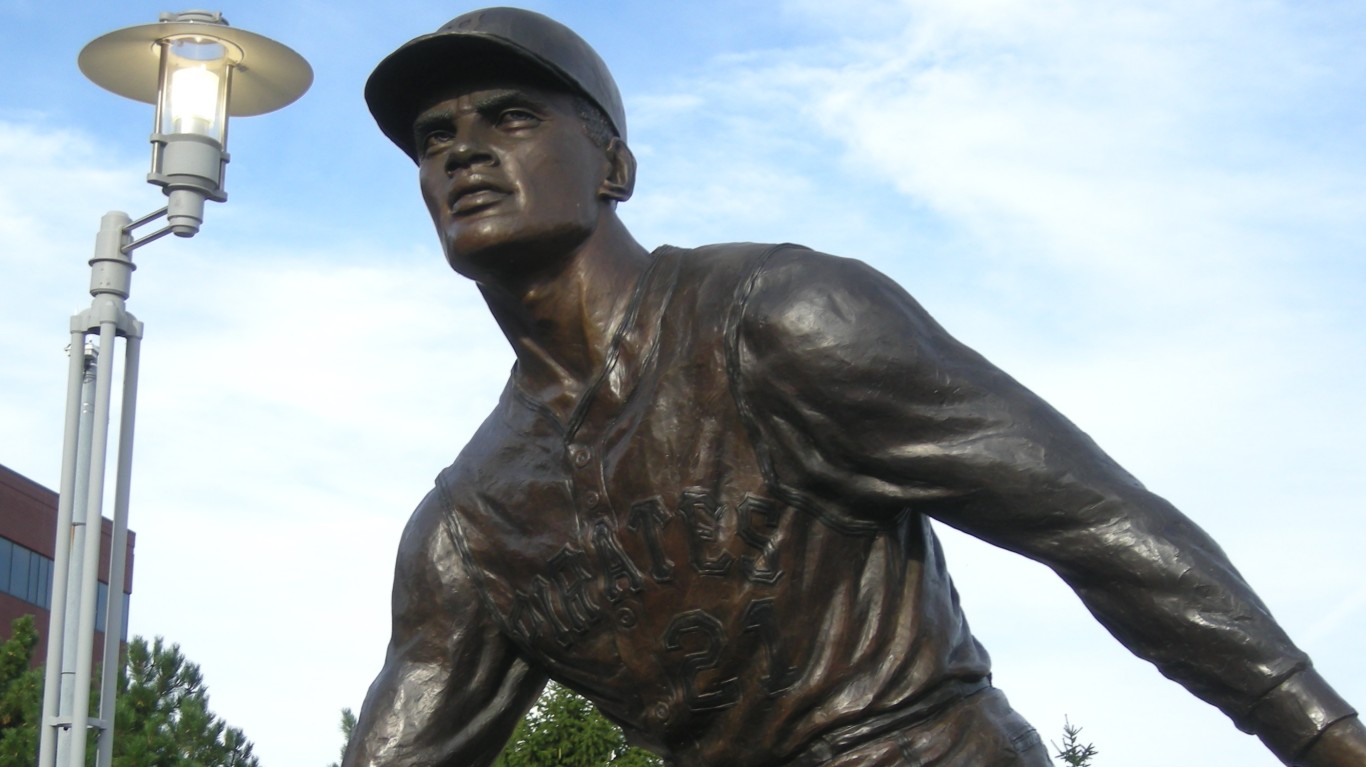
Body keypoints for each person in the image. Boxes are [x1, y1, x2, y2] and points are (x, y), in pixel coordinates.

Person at [345, 8, 1366, 767]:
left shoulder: (778, 318)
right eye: (434, 140)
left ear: (613, 164)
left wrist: (1323, 734)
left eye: (509, 117)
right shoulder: (470, 523)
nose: (462, 150)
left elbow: (1092, 521)